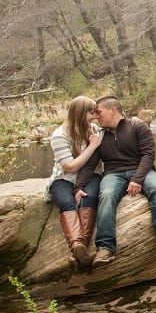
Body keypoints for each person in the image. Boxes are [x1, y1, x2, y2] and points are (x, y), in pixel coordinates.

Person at [75, 96, 156, 266]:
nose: (96, 116)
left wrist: (137, 179)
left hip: (142, 170)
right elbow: (90, 165)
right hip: (113, 173)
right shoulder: (99, 135)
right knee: (106, 195)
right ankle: (105, 248)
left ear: (113, 110)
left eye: (99, 112)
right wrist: (78, 187)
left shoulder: (137, 126)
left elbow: (148, 155)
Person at [46, 95, 103, 267]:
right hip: (63, 179)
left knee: (89, 197)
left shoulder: (94, 130)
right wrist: (92, 146)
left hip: (89, 176)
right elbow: (70, 167)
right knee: (67, 203)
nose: (94, 116)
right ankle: (78, 247)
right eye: (91, 112)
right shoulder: (59, 135)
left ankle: (78, 249)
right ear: (80, 113)